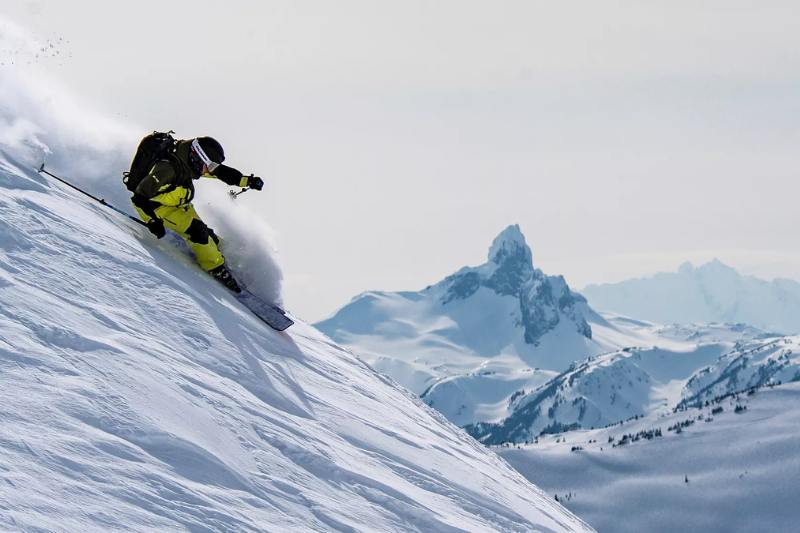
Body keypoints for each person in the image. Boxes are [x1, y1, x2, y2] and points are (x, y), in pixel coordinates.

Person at [129, 136, 264, 293]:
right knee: (198, 232)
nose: (210, 169)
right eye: (209, 165)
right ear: (197, 157)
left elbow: (220, 172)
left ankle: (226, 262)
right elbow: (139, 197)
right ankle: (216, 268)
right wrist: (152, 221)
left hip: (181, 205)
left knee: (210, 237)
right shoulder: (166, 169)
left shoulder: (189, 162)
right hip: (160, 210)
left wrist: (247, 181)